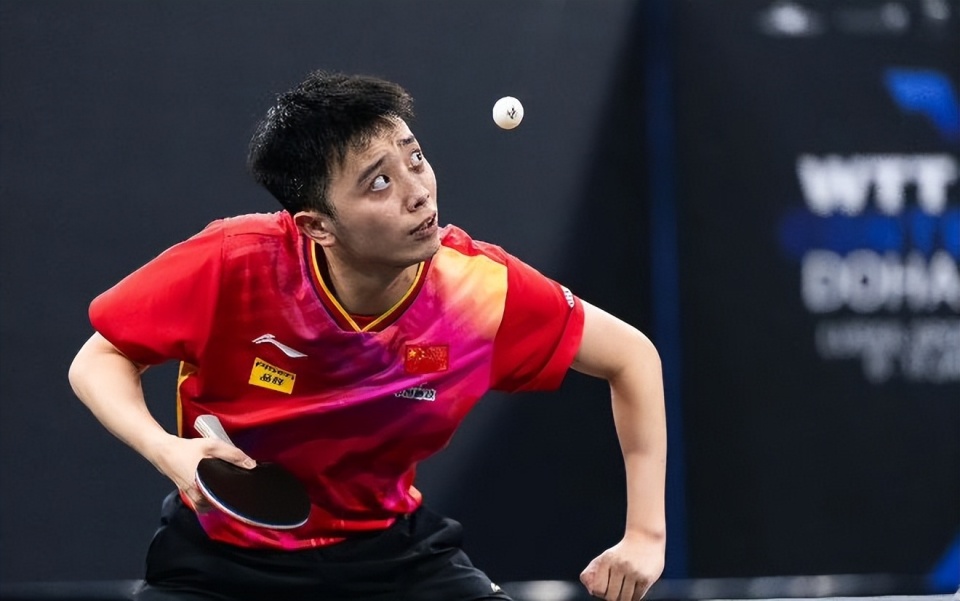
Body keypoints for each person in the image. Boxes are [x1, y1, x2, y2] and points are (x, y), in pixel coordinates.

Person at [68, 71, 667, 601]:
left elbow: (632, 357)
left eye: (415, 158)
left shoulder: (480, 291)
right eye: (379, 183)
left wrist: (645, 535)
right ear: (317, 226)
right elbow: (101, 356)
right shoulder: (236, 262)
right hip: (220, 562)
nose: (418, 191)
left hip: (392, 557)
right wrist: (165, 450)